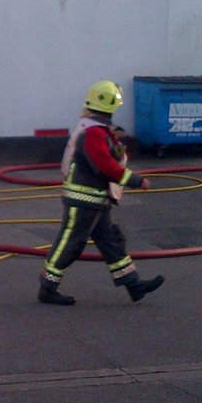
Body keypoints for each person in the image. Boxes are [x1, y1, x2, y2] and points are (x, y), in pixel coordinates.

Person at [37, 80, 165, 306]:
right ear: (109, 106)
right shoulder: (94, 133)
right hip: (84, 200)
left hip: (95, 200)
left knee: (112, 243)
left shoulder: (98, 130)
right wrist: (137, 181)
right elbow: (105, 166)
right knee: (69, 244)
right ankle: (47, 288)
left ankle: (134, 286)